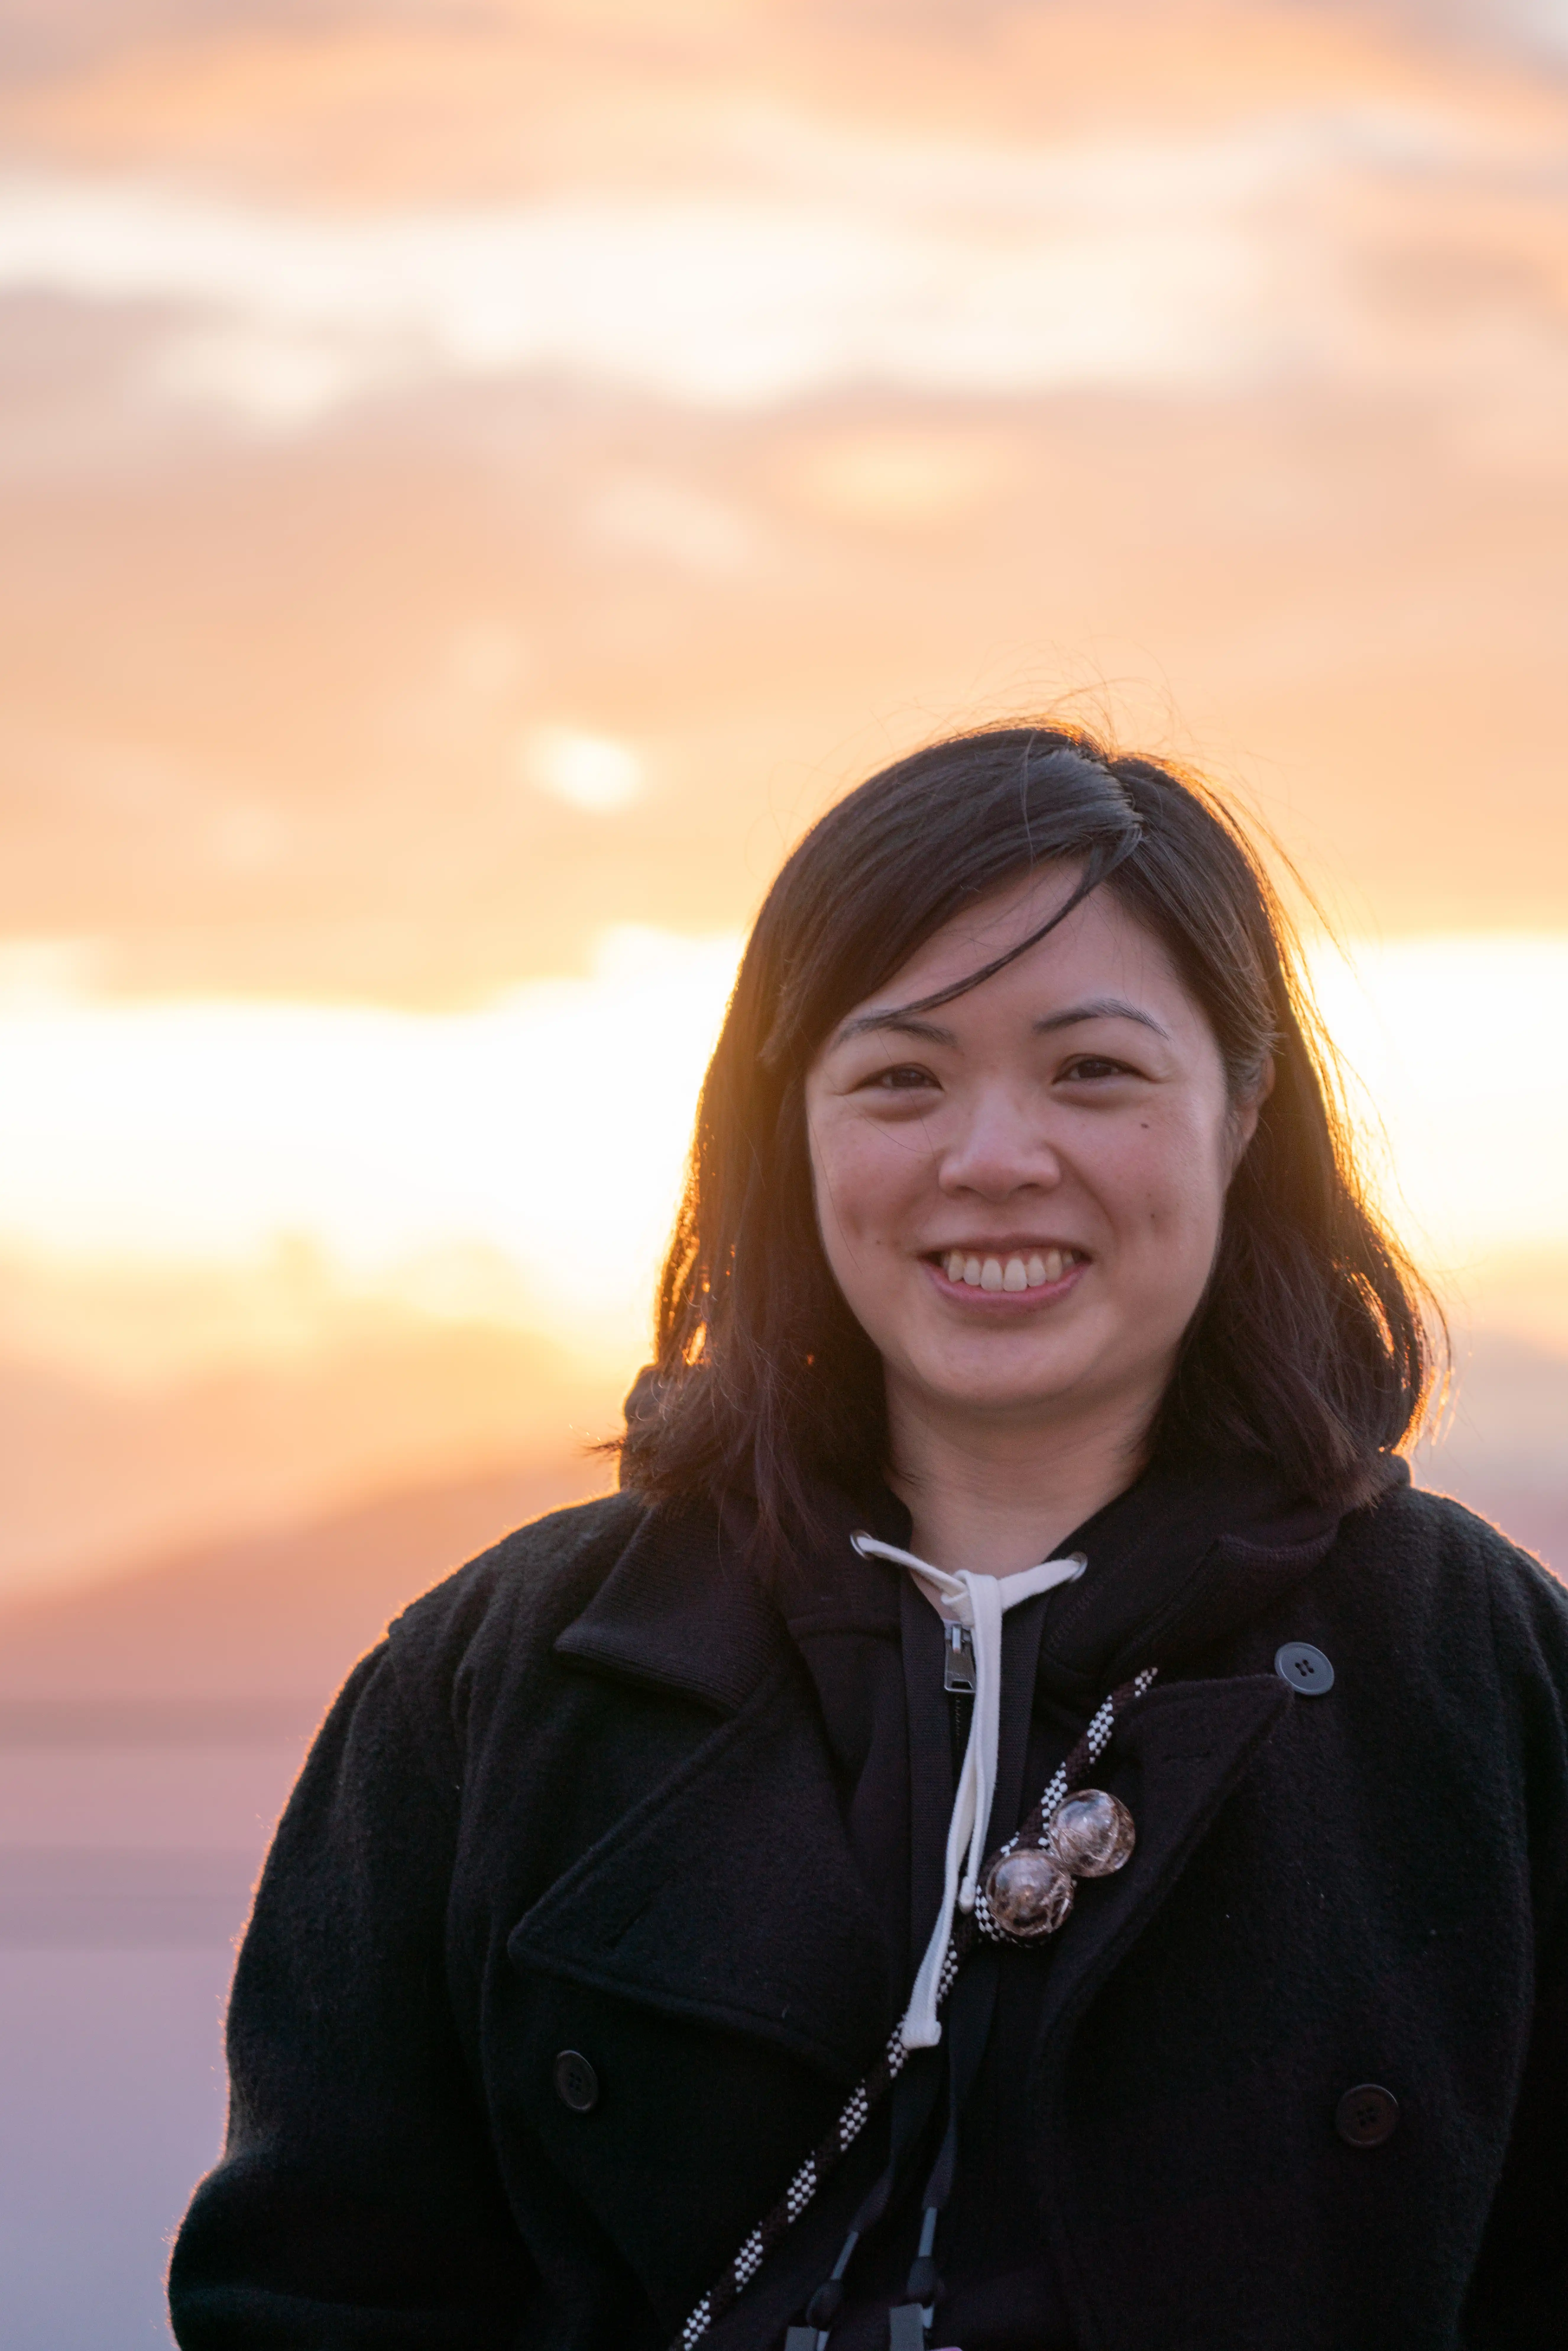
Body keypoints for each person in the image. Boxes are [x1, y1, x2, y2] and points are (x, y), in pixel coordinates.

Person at [169, 725, 1568, 2351]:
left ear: (1242, 1106)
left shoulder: (1476, 1682)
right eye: (900, 1076)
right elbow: (315, 2298)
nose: (991, 1160)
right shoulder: (497, 1686)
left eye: (1091, 1071)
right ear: (790, 1128)